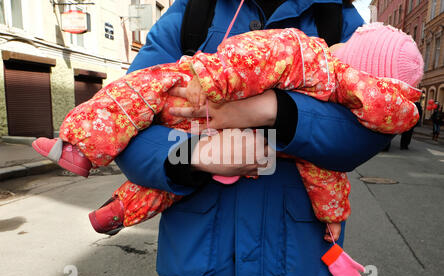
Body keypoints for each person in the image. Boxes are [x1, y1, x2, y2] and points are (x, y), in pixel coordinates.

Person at [71, 0, 397, 276]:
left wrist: (276, 111)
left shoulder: (338, 18)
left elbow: (379, 123)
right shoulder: (194, 12)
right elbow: (131, 112)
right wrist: (194, 155)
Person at [32, 22, 422, 238]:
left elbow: (247, 62)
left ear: (351, 53)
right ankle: (119, 208)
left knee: (137, 92)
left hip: (195, 100)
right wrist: (333, 214)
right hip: (248, 178)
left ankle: (82, 147)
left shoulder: (310, 51)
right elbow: (327, 170)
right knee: (179, 178)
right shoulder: (192, 13)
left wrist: (245, 100)